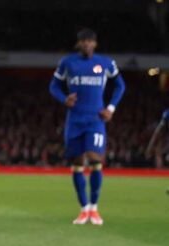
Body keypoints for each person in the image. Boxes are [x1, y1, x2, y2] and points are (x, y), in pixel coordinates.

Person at [49, 28, 126, 225]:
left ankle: (94, 207)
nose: (87, 44)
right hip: (74, 121)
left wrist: (111, 108)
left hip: (95, 120)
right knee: (76, 163)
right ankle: (84, 209)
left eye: (90, 41)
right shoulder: (68, 62)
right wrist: (64, 98)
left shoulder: (105, 63)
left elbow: (120, 85)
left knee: (94, 158)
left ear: (95, 43)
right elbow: (53, 86)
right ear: (79, 43)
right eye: (83, 41)